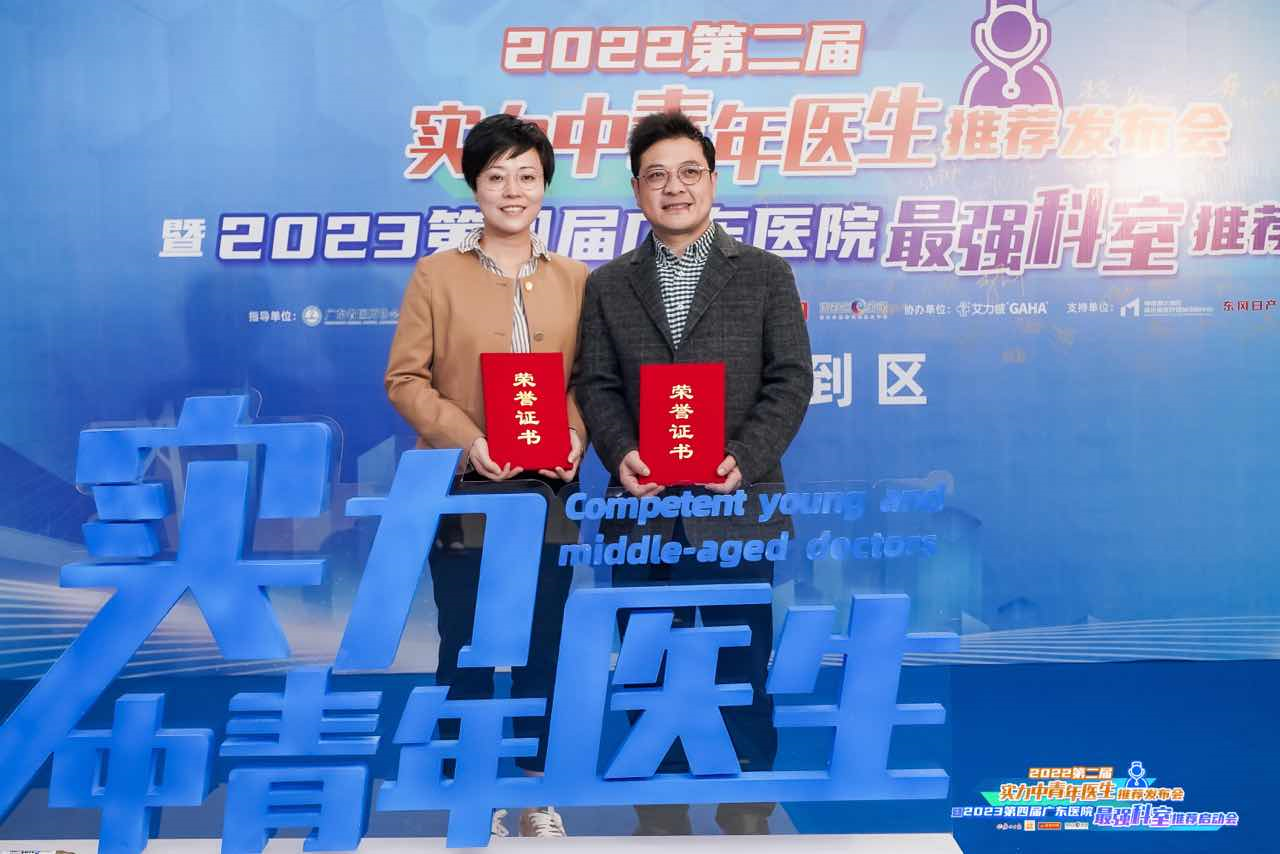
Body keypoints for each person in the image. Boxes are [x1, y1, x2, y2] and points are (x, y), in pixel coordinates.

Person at [573, 111, 812, 835]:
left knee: (742, 653)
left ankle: (747, 797)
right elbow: (596, 383)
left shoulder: (765, 274)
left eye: (688, 172)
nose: (673, 187)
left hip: (735, 504)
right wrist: (620, 452)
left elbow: (790, 380)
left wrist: (746, 457)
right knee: (646, 655)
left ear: (712, 179)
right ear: (637, 190)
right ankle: (660, 801)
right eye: (656, 175)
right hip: (643, 506)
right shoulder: (609, 284)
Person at [385, 113, 585, 838]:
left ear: (545, 185)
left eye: (527, 176)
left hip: (548, 492)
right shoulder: (436, 275)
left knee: (543, 641)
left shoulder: (575, 279)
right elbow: (405, 380)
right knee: (466, 640)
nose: (512, 190)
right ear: (475, 185)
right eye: (497, 175)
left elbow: (588, 380)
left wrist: (575, 435)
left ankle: (535, 793)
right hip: (464, 487)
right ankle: (472, 792)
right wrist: (469, 442)